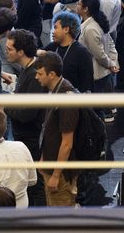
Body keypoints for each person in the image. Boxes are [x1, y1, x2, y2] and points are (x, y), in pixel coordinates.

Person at [4, 28, 47, 207]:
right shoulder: (27, 70)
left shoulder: (34, 75)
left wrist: (6, 106)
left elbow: (28, 113)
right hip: (25, 137)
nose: (6, 52)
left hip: (31, 139)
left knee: (35, 183)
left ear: (21, 52)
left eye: (9, 49)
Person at [34, 51, 79, 207]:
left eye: (39, 73)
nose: (36, 77)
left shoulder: (66, 99)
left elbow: (67, 143)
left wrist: (55, 175)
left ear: (51, 74)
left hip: (61, 175)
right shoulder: (54, 92)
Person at [76, 0, 119, 120]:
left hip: (95, 72)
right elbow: (110, 44)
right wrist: (113, 61)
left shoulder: (90, 29)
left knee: (96, 109)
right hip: (102, 71)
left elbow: (99, 54)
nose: (77, 5)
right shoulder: (97, 21)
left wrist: (112, 63)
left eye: (79, 3)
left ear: (86, 9)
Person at [45, 10, 94, 93]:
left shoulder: (82, 53)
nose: (53, 32)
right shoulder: (52, 47)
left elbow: (87, 86)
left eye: (56, 27)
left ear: (66, 29)